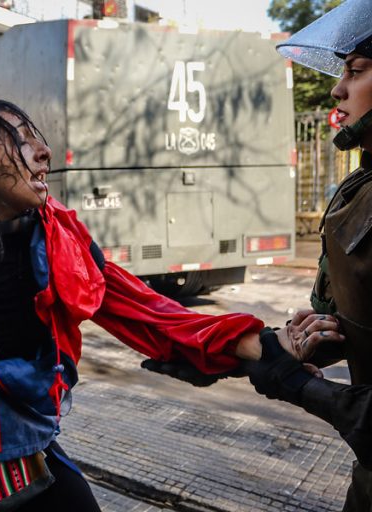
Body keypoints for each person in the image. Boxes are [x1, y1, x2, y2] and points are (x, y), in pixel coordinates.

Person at [0, 98, 338, 511]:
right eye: (20, 140)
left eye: (37, 138)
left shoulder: (56, 237)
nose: (43, 152)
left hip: (32, 452)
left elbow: (149, 313)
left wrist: (266, 344)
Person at [244, 0, 372, 510]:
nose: (338, 89)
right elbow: (345, 319)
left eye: (356, 71)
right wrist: (307, 339)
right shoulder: (356, 192)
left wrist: (296, 384)